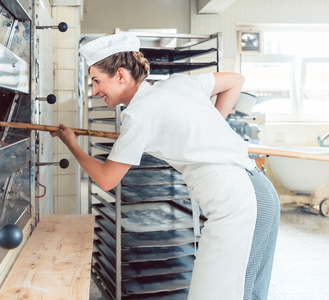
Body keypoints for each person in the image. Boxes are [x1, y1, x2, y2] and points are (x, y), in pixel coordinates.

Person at [50, 32, 280, 300]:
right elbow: (235, 81)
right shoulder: (179, 83)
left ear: (121, 76)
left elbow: (106, 179)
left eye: (97, 81)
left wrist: (71, 144)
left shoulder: (137, 115)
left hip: (237, 204)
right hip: (259, 190)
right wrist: (210, 127)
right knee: (248, 292)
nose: (94, 91)